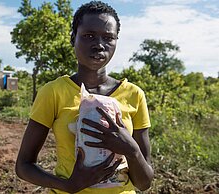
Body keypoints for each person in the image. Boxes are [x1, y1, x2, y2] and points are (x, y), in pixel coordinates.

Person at [15, 1, 154, 193]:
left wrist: (131, 150)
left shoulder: (134, 94)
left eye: (108, 38)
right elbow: (23, 165)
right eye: (89, 36)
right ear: (73, 38)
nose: (99, 45)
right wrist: (68, 185)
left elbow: (144, 183)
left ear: (116, 42)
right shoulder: (54, 92)